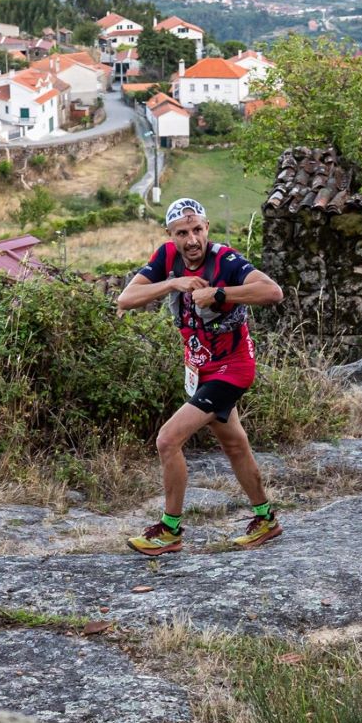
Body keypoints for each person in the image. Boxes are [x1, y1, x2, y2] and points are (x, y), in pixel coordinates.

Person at [116, 197, 286, 554]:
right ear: (170, 235)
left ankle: (170, 530)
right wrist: (171, 284)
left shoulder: (226, 260)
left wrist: (220, 293)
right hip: (201, 368)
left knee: (167, 440)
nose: (192, 240)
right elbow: (126, 298)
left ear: (207, 227)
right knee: (235, 444)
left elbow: (272, 292)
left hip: (233, 368)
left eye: (197, 230)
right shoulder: (167, 258)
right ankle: (266, 519)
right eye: (182, 233)